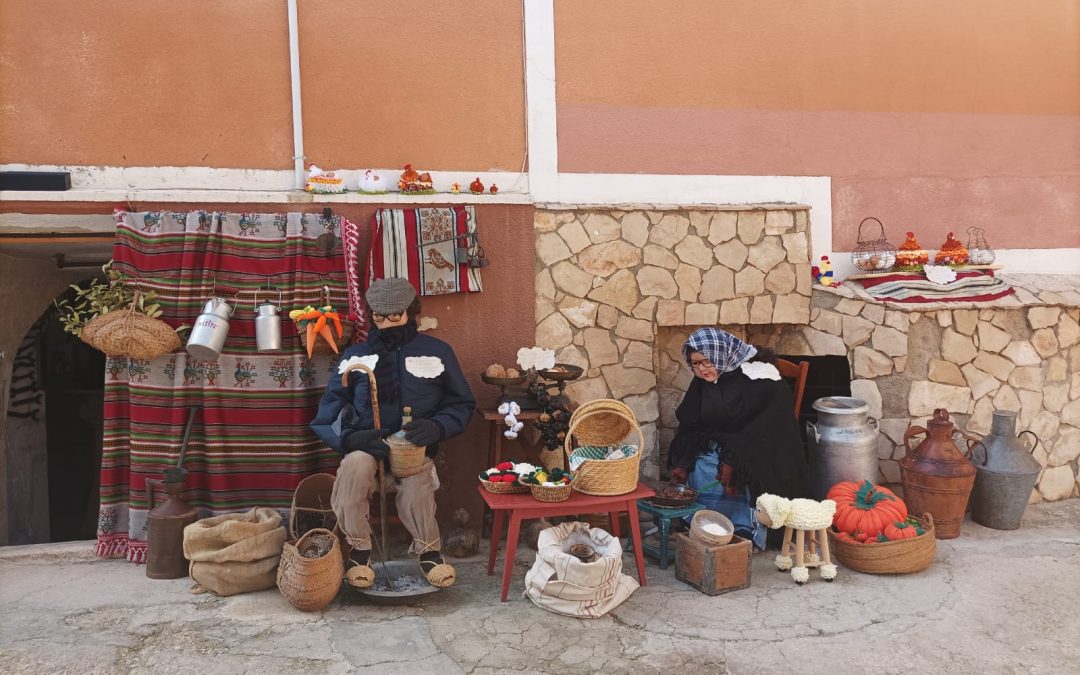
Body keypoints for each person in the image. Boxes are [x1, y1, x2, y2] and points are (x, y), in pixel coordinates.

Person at [310, 278, 475, 588]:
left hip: (413, 446)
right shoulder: (355, 356)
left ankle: (429, 552)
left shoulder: (437, 351)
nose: (386, 324)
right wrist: (350, 439)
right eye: (379, 317)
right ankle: (359, 552)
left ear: (410, 312)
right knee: (353, 466)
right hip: (368, 447)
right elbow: (329, 410)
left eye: (394, 317)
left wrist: (437, 426)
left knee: (416, 482)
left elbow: (461, 403)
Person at [667, 327, 808, 549]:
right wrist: (683, 461)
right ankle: (705, 527)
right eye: (695, 364)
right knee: (702, 465)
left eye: (706, 361)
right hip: (719, 442)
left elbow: (769, 428)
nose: (701, 369)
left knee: (738, 474)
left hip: (759, 447)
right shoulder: (704, 381)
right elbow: (691, 421)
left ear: (721, 354)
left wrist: (734, 459)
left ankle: (743, 531)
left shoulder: (761, 378)